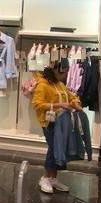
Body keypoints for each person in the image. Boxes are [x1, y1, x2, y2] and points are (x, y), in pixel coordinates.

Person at [31, 61, 82, 194]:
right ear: (56, 71)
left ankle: (52, 178)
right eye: (64, 72)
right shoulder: (42, 85)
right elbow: (37, 104)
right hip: (49, 123)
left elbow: (72, 97)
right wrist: (59, 105)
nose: (66, 75)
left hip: (62, 122)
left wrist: (75, 103)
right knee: (54, 149)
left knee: (58, 149)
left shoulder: (60, 84)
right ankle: (45, 178)